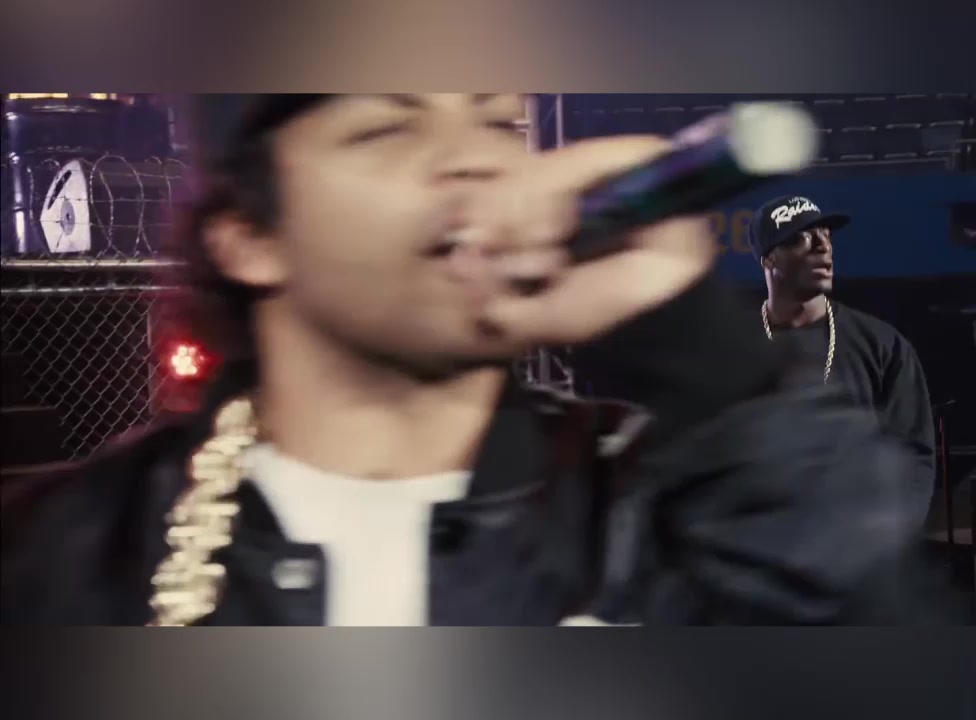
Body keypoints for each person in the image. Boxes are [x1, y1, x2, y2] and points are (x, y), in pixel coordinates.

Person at [1, 95, 922, 626]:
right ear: (248, 233)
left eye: (498, 125)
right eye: (386, 127)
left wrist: (696, 348)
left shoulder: (665, 511)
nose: (475, 164)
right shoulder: (69, 555)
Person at [749, 196, 942, 623]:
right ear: (769, 259)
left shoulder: (881, 346)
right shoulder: (734, 350)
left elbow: (913, 457)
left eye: (826, 236)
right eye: (801, 238)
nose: (823, 247)